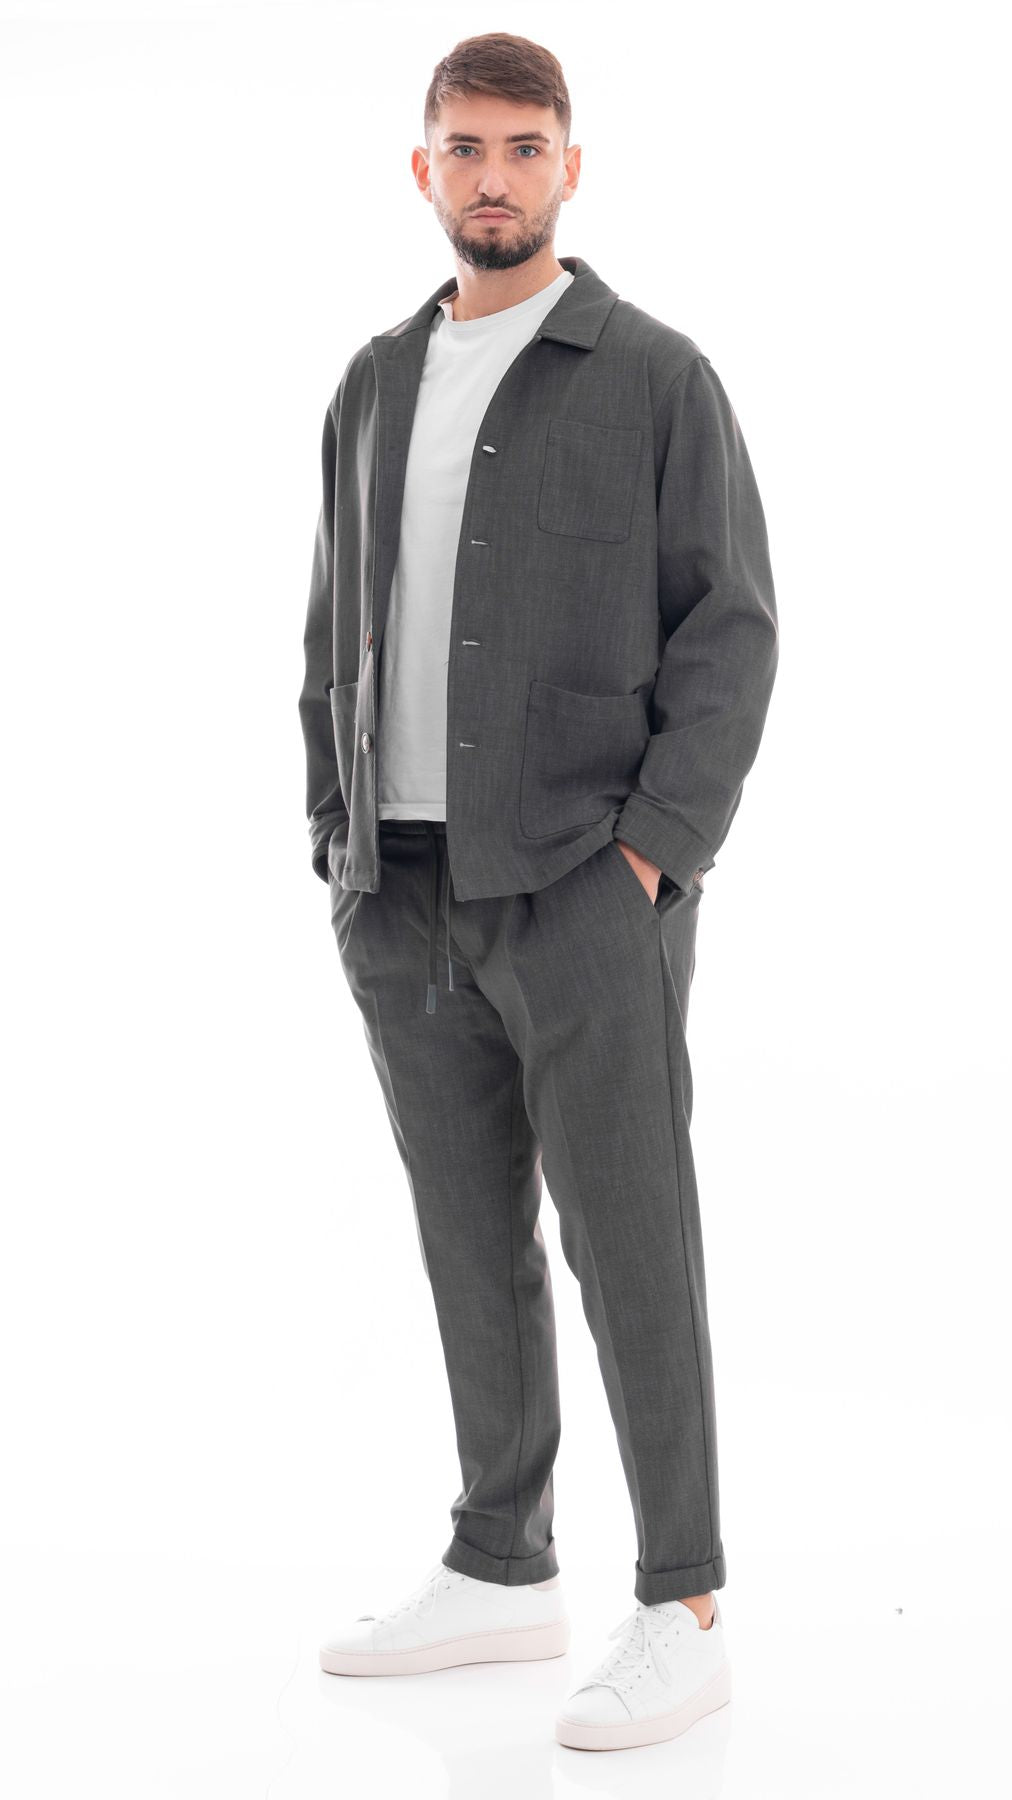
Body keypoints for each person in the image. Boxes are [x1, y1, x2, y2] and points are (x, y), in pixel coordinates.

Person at [299, 32, 779, 1753]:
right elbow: (330, 624)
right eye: (464, 146)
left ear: (570, 167)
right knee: (465, 1232)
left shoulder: (654, 377)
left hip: (583, 884)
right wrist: (337, 837)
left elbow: (732, 633)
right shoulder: (373, 383)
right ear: (421, 169)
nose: (492, 175)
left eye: (522, 146)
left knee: (630, 1239)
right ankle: (501, 1561)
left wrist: (653, 855)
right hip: (402, 889)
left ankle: (684, 1603)